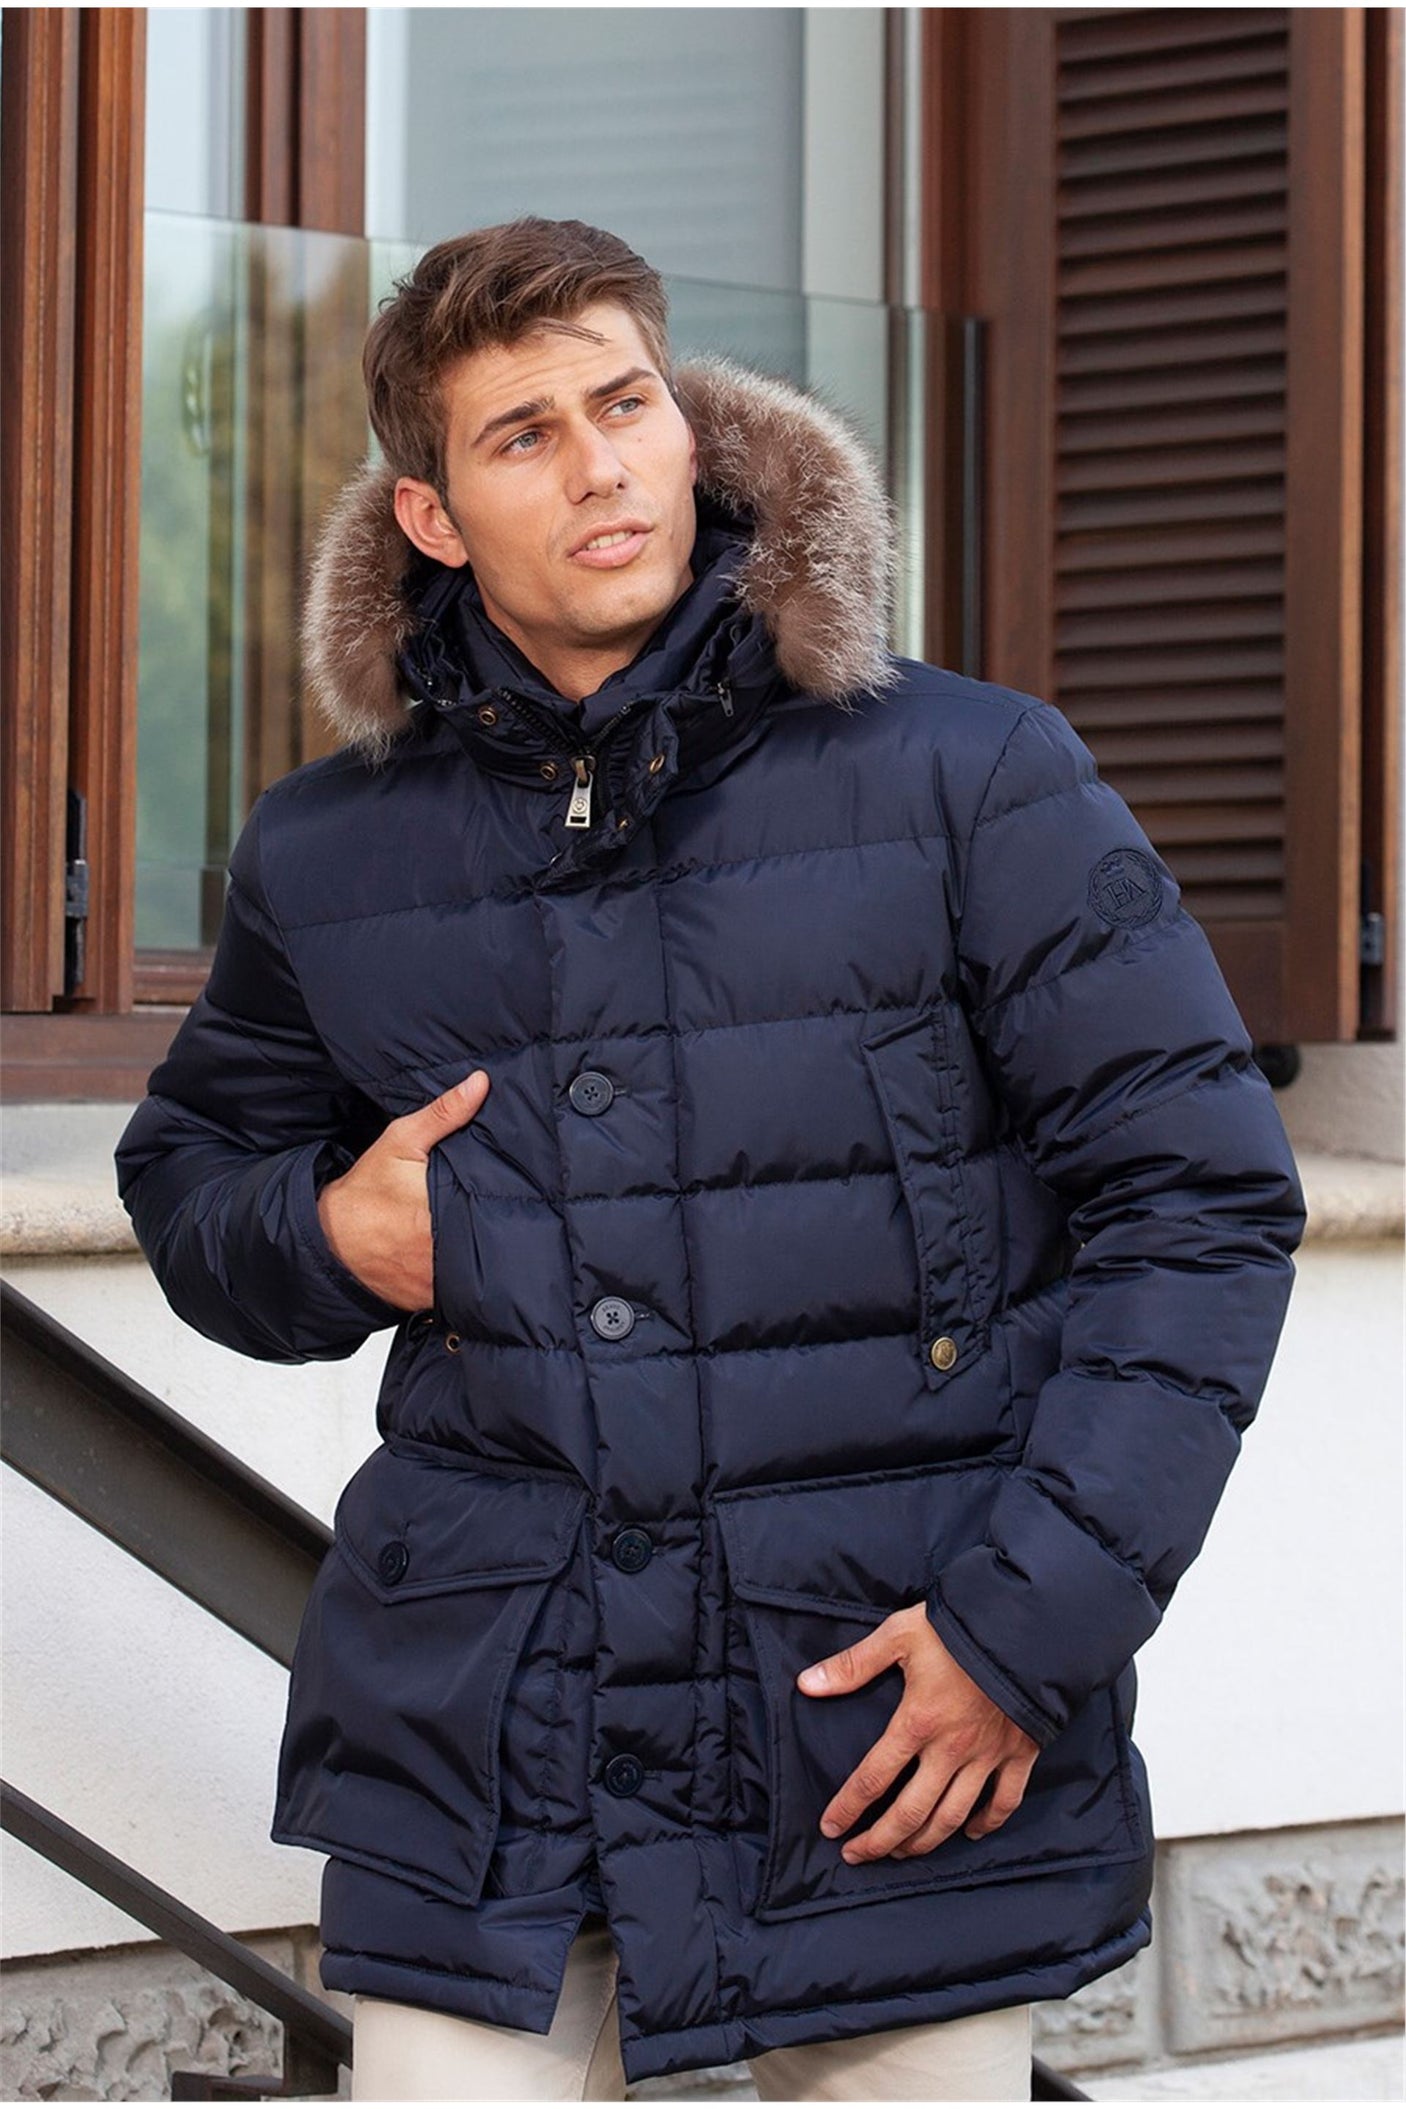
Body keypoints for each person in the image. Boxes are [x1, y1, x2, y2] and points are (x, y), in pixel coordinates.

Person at [114, 217, 1306, 2102]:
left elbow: (1202, 1205)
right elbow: (188, 1178)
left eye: (626, 404)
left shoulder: (966, 775)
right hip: (487, 1731)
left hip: (880, 1716)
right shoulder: (328, 848)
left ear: (687, 422)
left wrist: (1025, 1629)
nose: (599, 466)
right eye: (523, 435)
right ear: (430, 516)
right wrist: (328, 1233)